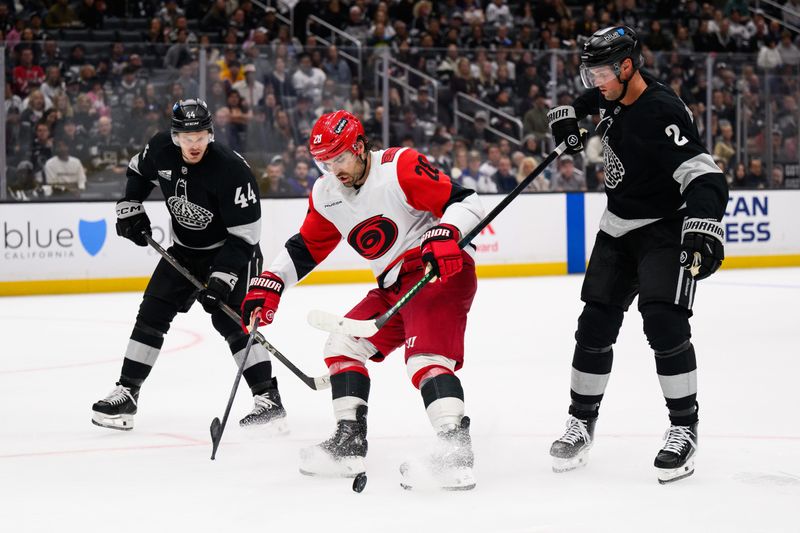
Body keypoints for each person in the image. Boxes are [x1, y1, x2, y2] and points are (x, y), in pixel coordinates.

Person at [241, 110, 484, 490]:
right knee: (342, 345)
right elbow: (306, 247)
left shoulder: (398, 167)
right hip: (392, 288)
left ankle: (455, 450)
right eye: (324, 161)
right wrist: (270, 281)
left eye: (339, 157)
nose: (333, 169)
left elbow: (467, 202)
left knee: (425, 359)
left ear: (359, 146)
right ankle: (349, 442)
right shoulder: (326, 193)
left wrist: (446, 231)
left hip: (434, 273)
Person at [546, 26, 728, 484]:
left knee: (663, 322)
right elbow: (579, 104)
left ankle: (684, 427)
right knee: (593, 326)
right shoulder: (610, 93)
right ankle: (581, 422)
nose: (595, 82)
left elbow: (705, 175)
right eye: (589, 73)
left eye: (603, 73)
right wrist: (566, 121)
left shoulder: (661, 111)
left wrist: (703, 226)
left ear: (629, 67)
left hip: (664, 229)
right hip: (617, 228)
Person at [91, 99, 287, 433]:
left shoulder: (231, 169)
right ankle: (127, 392)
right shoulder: (160, 149)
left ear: (210, 134)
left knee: (233, 324)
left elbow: (246, 235)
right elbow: (138, 170)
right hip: (183, 251)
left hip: (232, 251)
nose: (193, 143)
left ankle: (268, 399)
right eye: (186, 136)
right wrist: (130, 206)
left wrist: (221, 280)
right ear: (175, 136)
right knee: (152, 312)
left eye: (200, 135)